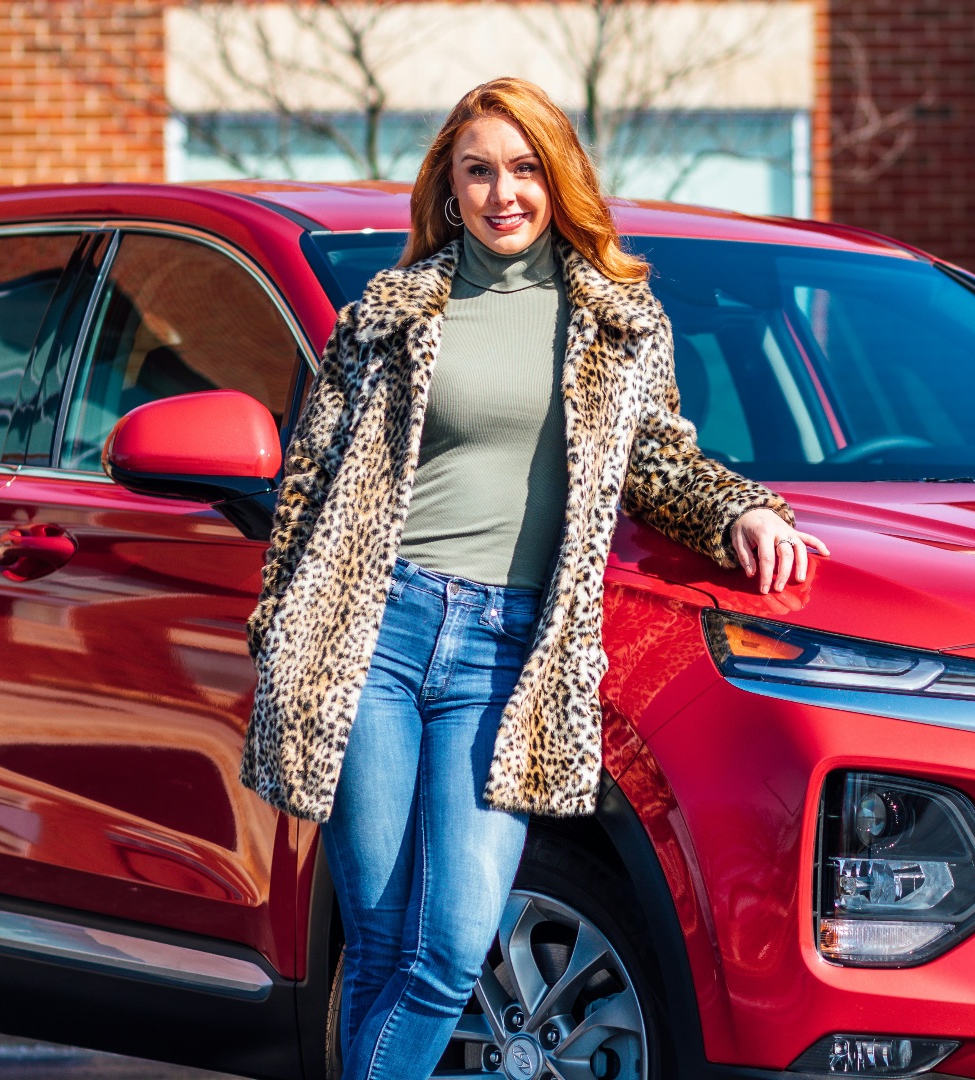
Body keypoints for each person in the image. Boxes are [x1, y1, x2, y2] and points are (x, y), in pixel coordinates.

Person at [241, 77, 829, 1080]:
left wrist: (743, 509)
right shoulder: (387, 315)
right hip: (372, 636)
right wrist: (281, 630)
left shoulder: (619, 325)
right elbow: (309, 484)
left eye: (524, 170)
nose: (501, 193)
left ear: (558, 182)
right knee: (378, 942)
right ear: (450, 186)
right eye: (478, 171)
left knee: (451, 945)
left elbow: (655, 459)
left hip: (504, 653)